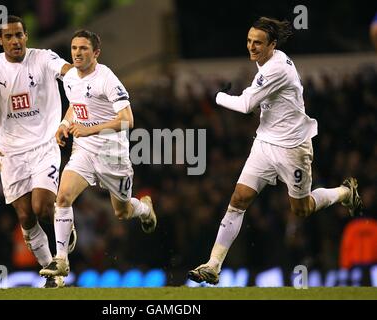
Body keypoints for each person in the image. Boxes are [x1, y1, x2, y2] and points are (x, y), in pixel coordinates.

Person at [188, 17, 363, 285]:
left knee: (301, 209)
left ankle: (344, 192)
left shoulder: (277, 69)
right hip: (265, 143)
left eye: (258, 42)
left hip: (293, 148)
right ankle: (213, 265)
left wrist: (217, 96)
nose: (252, 46)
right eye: (249, 41)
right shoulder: (268, 62)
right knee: (239, 198)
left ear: (272, 45)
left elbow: (246, 104)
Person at [0, 15, 76, 288]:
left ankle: (66, 227)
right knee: (25, 217)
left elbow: (68, 71)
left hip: (45, 145)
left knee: (41, 207)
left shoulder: (43, 58)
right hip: (11, 154)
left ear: (27, 36)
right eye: (9, 37)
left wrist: (74, 77)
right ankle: (52, 274)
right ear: (0, 40)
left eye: (19, 35)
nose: (15, 41)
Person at [39, 30, 157, 277]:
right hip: (84, 150)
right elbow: (75, 103)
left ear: (96, 53)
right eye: (74, 48)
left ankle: (145, 208)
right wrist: (63, 124)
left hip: (112, 154)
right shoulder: (70, 77)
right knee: (62, 198)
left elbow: (128, 120)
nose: (78, 53)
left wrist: (89, 128)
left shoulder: (107, 79)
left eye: (83, 48)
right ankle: (61, 259)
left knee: (121, 212)